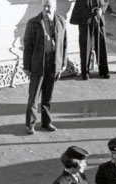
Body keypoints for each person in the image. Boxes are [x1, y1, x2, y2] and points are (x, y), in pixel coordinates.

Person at [22, 0, 67, 135]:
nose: (46, 9)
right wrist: (26, 66)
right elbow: (28, 46)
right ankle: (30, 125)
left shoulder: (61, 21)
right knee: (34, 96)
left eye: (49, 6)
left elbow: (64, 43)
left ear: (55, 7)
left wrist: (63, 63)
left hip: (53, 63)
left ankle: (46, 123)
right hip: (38, 63)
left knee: (47, 96)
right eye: (44, 6)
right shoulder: (33, 23)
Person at [69, 0, 109, 81]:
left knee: (102, 44)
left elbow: (106, 1)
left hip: (99, 18)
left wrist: (102, 9)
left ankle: (104, 71)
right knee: (85, 45)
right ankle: (85, 72)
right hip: (85, 18)